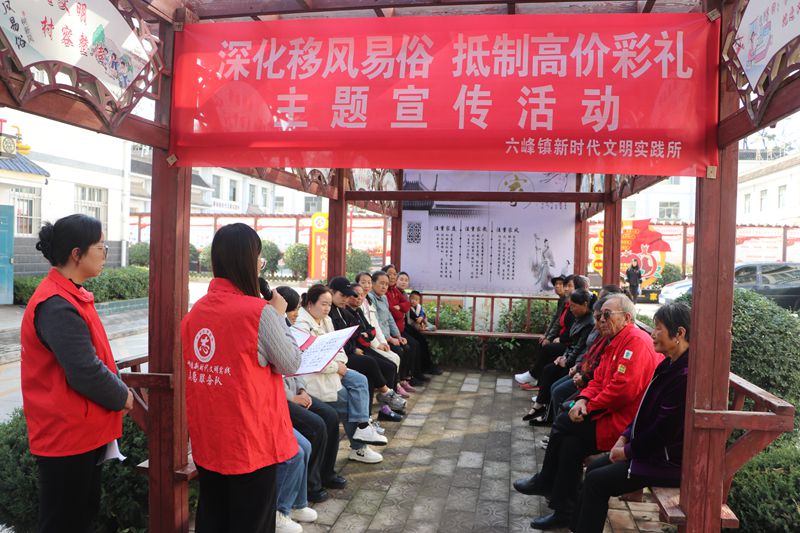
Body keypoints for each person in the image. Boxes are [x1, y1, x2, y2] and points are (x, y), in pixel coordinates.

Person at [181, 223, 302, 533]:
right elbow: (291, 362)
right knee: (252, 522)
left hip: (209, 438)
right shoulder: (259, 312)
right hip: (250, 442)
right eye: (258, 257)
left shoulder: (197, 312)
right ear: (248, 261)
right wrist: (278, 315)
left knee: (213, 517)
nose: (260, 264)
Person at [21, 214, 134, 533]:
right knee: (64, 523)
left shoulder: (71, 294)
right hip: (65, 437)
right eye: (100, 246)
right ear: (76, 254)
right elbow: (85, 370)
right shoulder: (56, 304)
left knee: (80, 519)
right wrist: (123, 396)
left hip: (79, 434)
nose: (105, 253)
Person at [513, 294, 661, 530]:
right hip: (608, 412)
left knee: (564, 423)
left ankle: (547, 482)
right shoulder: (616, 340)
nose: (601, 320)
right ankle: (564, 510)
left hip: (624, 422)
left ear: (627, 318)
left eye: (607, 315)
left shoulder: (635, 343)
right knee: (570, 444)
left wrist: (587, 406)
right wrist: (582, 400)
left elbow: (622, 391)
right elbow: (598, 379)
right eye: (599, 315)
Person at [572, 302, 691, 533]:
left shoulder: (684, 375)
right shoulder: (669, 364)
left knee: (597, 482)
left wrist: (627, 451)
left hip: (667, 462)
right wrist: (624, 437)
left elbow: (663, 432)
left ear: (679, 333)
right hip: (649, 451)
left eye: (658, 328)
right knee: (594, 470)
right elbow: (645, 410)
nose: (652, 334)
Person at [295, 284, 387, 464]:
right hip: (315, 377)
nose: (327, 308)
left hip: (333, 370)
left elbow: (338, 347)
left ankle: (363, 427)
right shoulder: (302, 326)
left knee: (360, 380)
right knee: (349, 403)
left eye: (329, 304)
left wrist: (341, 363)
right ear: (310, 304)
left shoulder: (327, 320)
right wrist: (336, 367)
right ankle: (359, 447)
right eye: (323, 304)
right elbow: (311, 359)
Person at [276, 286, 347, 503]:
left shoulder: (288, 328)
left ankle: (326, 473)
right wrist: (292, 397)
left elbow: (295, 366)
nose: (296, 314)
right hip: (281, 399)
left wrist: (301, 389)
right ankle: (311, 484)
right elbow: (272, 376)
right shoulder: (274, 330)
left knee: (331, 416)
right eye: (292, 309)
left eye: (297, 308)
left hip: (297, 390)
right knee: (316, 425)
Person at [327, 276, 406, 415]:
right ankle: (385, 395)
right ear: (331, 292)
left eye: (348, 296)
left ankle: (384, 408)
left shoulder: (343, 310)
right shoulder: (330, 313)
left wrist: (365, 336)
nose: (346, 299)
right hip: (343, 356)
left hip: (353, 350)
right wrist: (354, 347)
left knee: (389, 367)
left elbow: (363, 330)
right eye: (343, 296)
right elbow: (337, 340)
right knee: (369, 366)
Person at [524, 288, 595, 425]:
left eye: (574, 306)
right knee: (549, 369)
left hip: (578, 364)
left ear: (585, 304)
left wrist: (568, 362)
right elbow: (574, 344)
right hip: (573, 360)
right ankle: (541, 407)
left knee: (555, 381)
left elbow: (580, 348)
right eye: (570, 306)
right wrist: (563, 357)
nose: (571, 309)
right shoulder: (579, 318)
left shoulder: (589, 323)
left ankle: (549, 416)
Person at [345, 283, 406, 422]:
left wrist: (366, 335)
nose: (359, 297)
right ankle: (368, 416)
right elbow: (357, 336)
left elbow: (370, 330)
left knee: (391, 366)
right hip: (356, 350)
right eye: (356, 295)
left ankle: (387, 407)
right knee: (370, 372)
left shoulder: (358, 311)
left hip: (364, 347)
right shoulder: (345, 312)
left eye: (362, 295)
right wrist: (363, 338)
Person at [369, 270, 423, 389]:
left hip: (388, 335)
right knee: (399, 351)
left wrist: (398, 336)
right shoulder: (371, 298)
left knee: (407, 347)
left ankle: (403, 380)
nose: (384, 286)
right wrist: (389, 338)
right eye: (381, 283)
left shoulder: (383, 297)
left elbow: (390, 318)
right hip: (379, 338)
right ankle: (395, 384)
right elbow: (376, 323)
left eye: (386, 284)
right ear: (373, 283)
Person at [515, 275, 566, 387]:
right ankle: (535, 377)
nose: (557, 286)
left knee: (547, 347)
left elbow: (559, 322)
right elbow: (555, 319)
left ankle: (534, 376)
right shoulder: (561, 300)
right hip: (560, 336)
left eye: (561, 284)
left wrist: (550, 337)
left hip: (564, 338)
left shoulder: (568, 301)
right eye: (556, 284)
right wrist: (546, 335)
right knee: (541, 342)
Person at [274, 429, 317, 533]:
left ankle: (296, 504)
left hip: (276, 420)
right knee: (294, 454)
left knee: (306, 446)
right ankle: (277, 513)